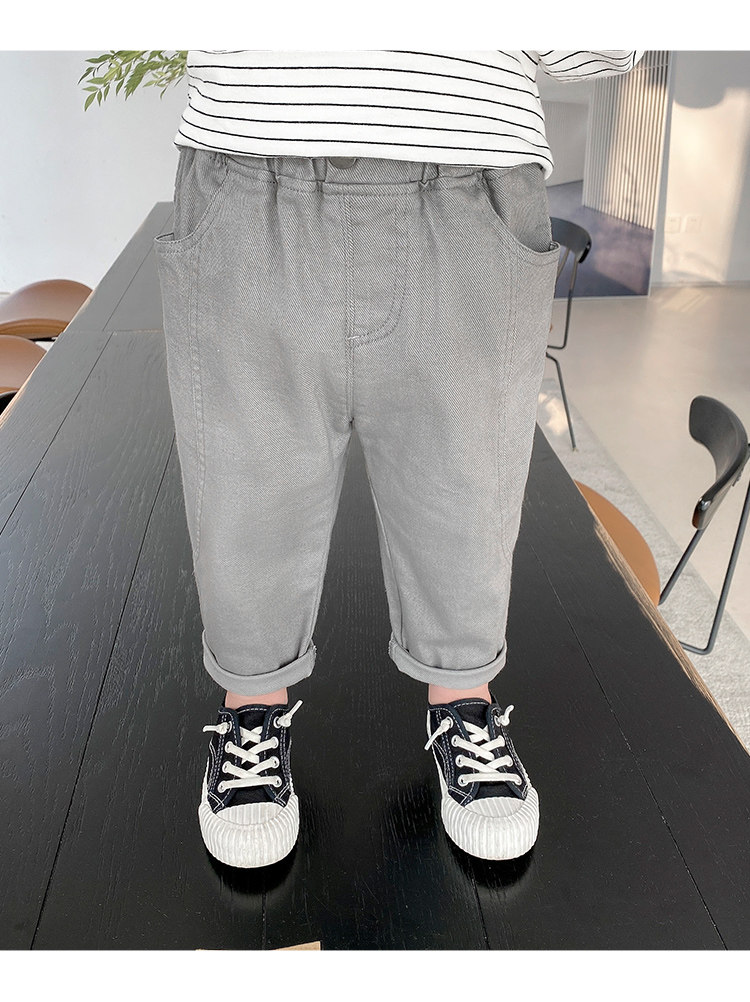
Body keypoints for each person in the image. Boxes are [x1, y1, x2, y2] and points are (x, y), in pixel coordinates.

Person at [153, 50, 643, 868]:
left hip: (474, 180)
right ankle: (250, 708)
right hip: (251, 161)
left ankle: (465, 702)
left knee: (467, 486)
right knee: (244, 487)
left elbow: (598, 44)